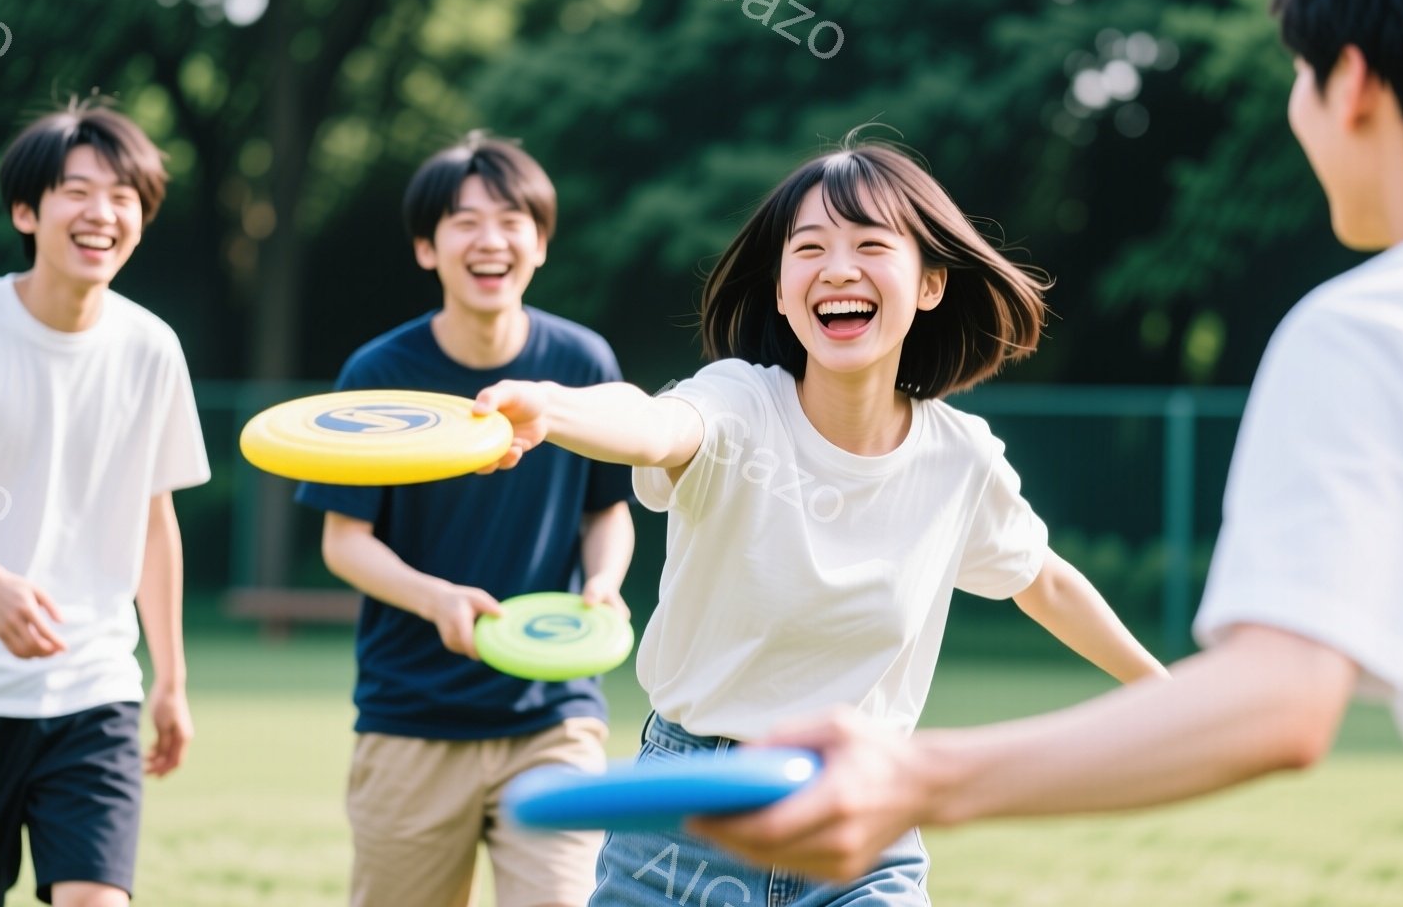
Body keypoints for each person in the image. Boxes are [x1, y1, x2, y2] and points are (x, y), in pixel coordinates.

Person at [686, 0, 1403, 899]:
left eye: (1299, 74)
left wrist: (916, 778)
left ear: (1350, 83)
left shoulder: (1383, 328)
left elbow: (1280, 701)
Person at [472, 138, 1170, 905]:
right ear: (780, 290)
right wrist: (552, 407)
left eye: (870, 245)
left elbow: (1044, 582)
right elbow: (651, 423)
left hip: (859, 815)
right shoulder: (738, 405)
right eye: (810, 249)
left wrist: (1169, 695)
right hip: (685, 819)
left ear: (930, 283)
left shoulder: (959, 459)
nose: (838, 269)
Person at [293, 131, 636, 907]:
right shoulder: (379, 374)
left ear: (540, 243)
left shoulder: (582, 364)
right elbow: (345, 543)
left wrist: (605, 583)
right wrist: (436, 599)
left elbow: (607, 512)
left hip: (552, 711)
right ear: (427, 247)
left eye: (512, 221)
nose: (491, 240)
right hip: (411, 717)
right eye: (465, 222)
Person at [0, 102, 210, 907]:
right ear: (27, 211)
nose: (103, 213)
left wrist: (171, 679)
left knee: (97, 900)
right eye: (77, 192)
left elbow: (153, 519)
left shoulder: (152, 348)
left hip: (94, 689)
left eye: (124, 197)